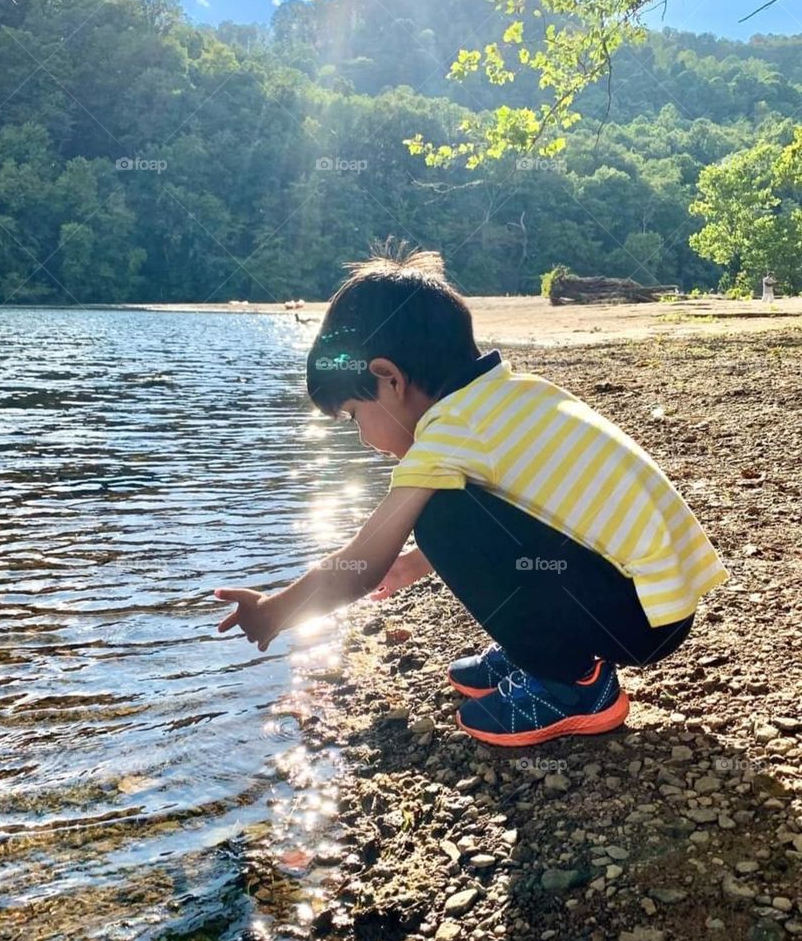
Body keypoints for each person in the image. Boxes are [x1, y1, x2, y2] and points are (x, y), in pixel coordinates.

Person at [214, 245, 728, 747]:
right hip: (660, 602)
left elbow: (359, 563)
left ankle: (572, 684)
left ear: (388, 378)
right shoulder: (513, 395)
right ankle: (548, 651)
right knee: (443, 512)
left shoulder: (448, 433)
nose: (363, 439)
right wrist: (416, 563)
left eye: (354, 417)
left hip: (633, 619)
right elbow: (537, 512)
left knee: (437, 514)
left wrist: (275, 610)